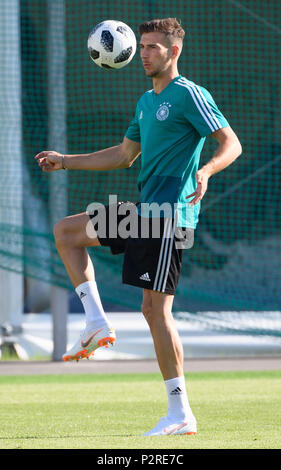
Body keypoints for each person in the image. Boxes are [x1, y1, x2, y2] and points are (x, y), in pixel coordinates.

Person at [35, 18, 242, 436]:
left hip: (169, 218)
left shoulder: (189, 95)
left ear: (174, 51)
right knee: (67, 232)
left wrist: (207, 171)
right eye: (142, 46)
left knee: (155, 312)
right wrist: (66, 160)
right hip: (144, 212)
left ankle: (181, 412)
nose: (144, 54)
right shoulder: (147, 101)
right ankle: (95, 321)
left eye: (153, 47)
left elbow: (231, 143)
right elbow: (124, 154)